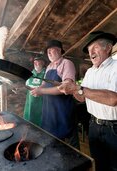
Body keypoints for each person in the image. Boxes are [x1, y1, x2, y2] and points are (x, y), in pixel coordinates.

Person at [60, 31, 117, 171]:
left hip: (114, 129)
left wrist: (79, 89)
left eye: (95, 47)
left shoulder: (116, 67)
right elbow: (82, 97)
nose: (91, 52)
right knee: (99, 164)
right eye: (89, 50)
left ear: (108, 48)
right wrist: (72, 90)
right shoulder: (90, 72)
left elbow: (113, 99)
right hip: (93, 126)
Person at [30, 40, 80, 149]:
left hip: (63, 110)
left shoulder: (66, 63)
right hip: (50, 110)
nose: (48, 53)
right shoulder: (49, 67)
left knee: (72, 146)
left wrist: (41, 91)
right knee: (54, 144)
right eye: (47, 51)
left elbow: (66, 87)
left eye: (51, 50)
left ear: (59, 50)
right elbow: (44, 84)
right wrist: (36, 89)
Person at [23, 56, 46, 126]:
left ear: (43, 62)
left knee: (41, 125)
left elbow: (46, 86)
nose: (35, 63)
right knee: (29, 124)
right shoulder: (29, 74)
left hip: (42, 104)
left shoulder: (46, 73)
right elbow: (26, 86)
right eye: (34, 62)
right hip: (30, 104)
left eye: (38, 61)